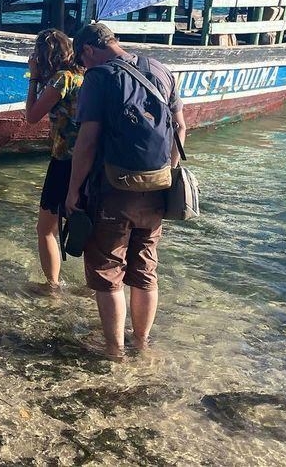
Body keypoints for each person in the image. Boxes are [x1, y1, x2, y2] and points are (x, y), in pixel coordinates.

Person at [64, 22, 186, 358]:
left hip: (113, 190)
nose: (83, 66)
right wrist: (169, 172)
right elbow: (181, 127)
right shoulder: (160, 69)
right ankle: (142, 342)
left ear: (88, 50)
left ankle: (114, 349)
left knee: (108, 270)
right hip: (158, 187)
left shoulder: (99, 78)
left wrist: (73, 191)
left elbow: (87, 143)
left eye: (81, 60)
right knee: (146, 268)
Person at [24, 29, 84, 291]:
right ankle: (95, 286)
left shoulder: (61, 80)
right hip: (88, 160)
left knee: (45, 228)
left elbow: (32, 116)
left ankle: (52, 285)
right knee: (84, 223)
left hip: (63, 161)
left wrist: (34, 79)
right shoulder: (83, 75)